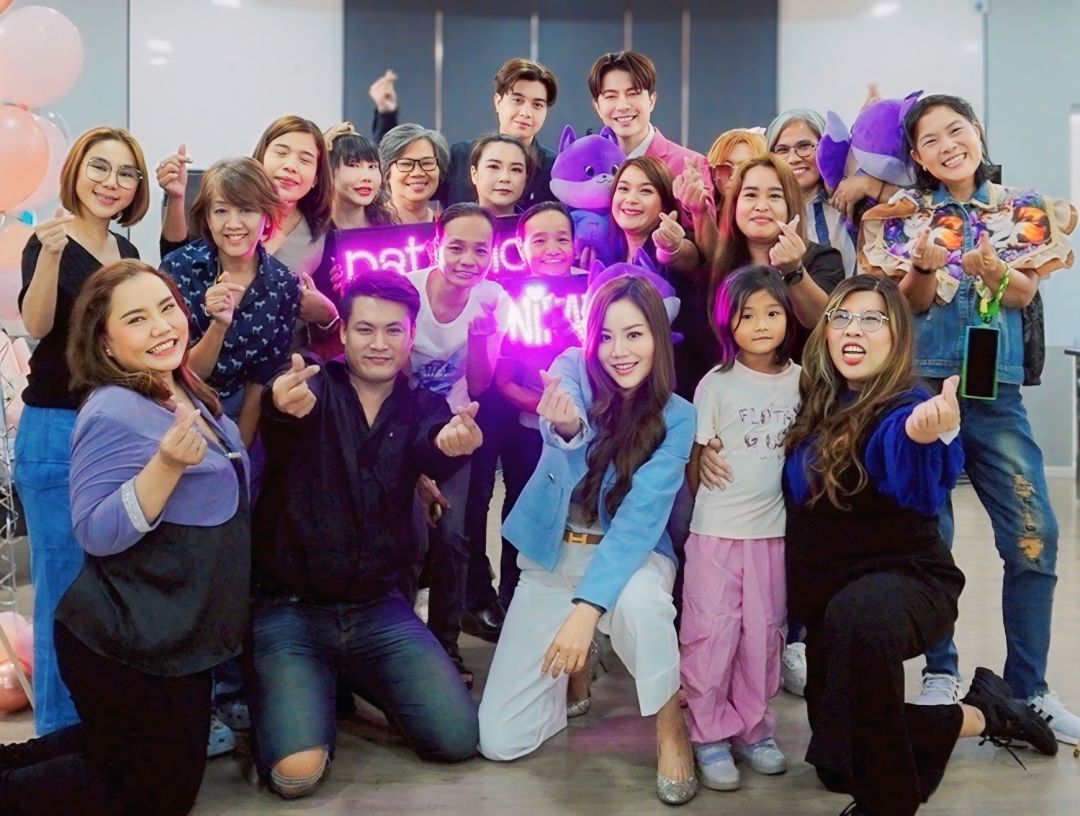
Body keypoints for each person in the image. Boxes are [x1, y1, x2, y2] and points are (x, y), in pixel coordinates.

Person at [771, 274, 1058, 816]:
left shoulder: (907, 405)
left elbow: (918, 482)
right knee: (837, 762)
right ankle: (982, 714)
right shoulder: (816, 400)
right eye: (842, 317)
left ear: (897, 336)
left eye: (872, 319)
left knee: (861, 620)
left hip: (907, 582)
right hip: (830, 605)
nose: (854, 330)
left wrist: (925, 436)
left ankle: (888, 803)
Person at [859, 94, 1079, 743]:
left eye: (955, 130)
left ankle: (1028, 689)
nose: (947, 145)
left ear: (977, 132)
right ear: (918, 157)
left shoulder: (1022, 207)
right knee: (930, 538)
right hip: (923, 394)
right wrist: (923, 267)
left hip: (996, 396)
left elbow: (1023, 292)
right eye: (930, 140)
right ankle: (940, 672)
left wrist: (997, 269)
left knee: (1034, 536)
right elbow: (911, 303)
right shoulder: (904, 215)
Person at [1, 260, 250, 815]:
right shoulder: (114, 409)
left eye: (166, 308)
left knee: (124, 758)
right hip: (128, 643)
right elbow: (94, 531)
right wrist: (164, 467)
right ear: (106, 342)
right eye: (136, 319)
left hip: (173, 635)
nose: (161, 326)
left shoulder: (179, 386)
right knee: (151, 793)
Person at [246, 271, 482, 799]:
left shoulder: (423, 407)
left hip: (378, 610)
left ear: (411, 335)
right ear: (344, 333)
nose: (379, 343)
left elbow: (431, 445)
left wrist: (451, 444)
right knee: (295, 775)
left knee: (456, 738)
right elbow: (281, 412)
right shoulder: (312, 386)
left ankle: (351, 677)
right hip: (291, 610)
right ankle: (312, 687)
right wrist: (279, 404)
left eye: (393, 330)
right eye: (365, 329)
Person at [479, 274, 699, 806]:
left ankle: (670, 722)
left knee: (643, 605)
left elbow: (640, 520)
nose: (618, 351)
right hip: (553, 556)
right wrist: (569, 430)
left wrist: (586, 609)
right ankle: (574, 670)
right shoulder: (572, 367)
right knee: (501, 740)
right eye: (606, 335)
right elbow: (566, 420)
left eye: (634, 334)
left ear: (657, 338)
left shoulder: (678, 415)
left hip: (632, 558)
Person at [15, 126, 149, 736]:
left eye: (125, 173)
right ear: (75, 171)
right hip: (56, 432)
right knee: (62, 594)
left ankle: (105, 734)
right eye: (99, 167)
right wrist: (47, 257)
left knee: (113, 591)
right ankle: (60, 741)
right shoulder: (48, 241)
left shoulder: (127, 250)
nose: (110, 182)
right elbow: (38, 325)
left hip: (116, 432)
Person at [681, 266, 800, 792]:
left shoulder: (802, 381)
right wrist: (702, 471)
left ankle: (755, 729)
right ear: (727, 322)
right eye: (747, 316)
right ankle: (708, 733)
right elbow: (696, 457)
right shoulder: (716, 384)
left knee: (763, 635)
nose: (761, 325)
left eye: (772, 313)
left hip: (772, 534)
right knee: (711, 633)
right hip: (716, 532)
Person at [462, 202, 584, 642]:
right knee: (522, 508)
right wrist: (549, 408)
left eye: (562, 238)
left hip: (587, 431)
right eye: (539, 239)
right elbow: (502, 382)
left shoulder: (591, 292)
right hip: (527, 428)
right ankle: (514, 601)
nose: (552, 248)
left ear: (575, 244)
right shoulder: (511, 300)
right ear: (520, 248)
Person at [407, 203, 510, 683]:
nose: (469, 260)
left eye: (480, 250)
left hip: (455, 426)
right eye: (456, 247)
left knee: (452, 536)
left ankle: (445, 647)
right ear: (436, 246)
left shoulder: (493, 299)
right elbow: (387, 375)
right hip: (401, 424)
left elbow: (480, 384)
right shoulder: (407, 291)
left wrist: (481, 339)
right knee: (405, 535)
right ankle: (396, 643)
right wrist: (413, 465)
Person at [157, 116, 339, 345]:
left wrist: (327, 316)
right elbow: (175, 264)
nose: (291, 166)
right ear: (261, 158)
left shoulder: (322, 233)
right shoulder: (222, 208)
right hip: (200, 347)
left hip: (281, 356)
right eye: (281, 153)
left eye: (305, 159)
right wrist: (176, 198)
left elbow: (332, 324)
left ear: (316, 177)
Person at [161, 157, 301, 446]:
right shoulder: (178, 267)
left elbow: (259, 380)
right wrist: (218, 325)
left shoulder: (283, 283)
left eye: (247, 210)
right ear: (207, 217)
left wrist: (240, 451)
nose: (233, 223)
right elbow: (181, 370)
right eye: (221, 210)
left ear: (266, 216)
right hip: (173, 402)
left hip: (239, 409)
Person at [371, 59, 560, 209]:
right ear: (498, 102)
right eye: (517, 100)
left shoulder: (556, 168)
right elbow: (397, 166)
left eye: (537, 105)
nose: (526, 113)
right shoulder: (459, 157)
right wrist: (386, 114)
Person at [587, 50, 714, 211]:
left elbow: (706, 225)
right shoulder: (588, 164)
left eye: (633, 93)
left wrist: (695, 210)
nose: (623, 106)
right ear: (597, 106)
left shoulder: (690, 165)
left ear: (651, 100)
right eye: (611, 96)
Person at [766, 109, 859, 276]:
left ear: (825, 148)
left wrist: (870, 185)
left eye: (804, 146)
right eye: (782, 150)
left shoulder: (850, 203)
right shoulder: (764, 212)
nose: (793, 159)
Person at [378, 123, 451, 224]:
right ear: (386, 172)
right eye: (406, 164)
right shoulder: (366, 224)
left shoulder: (449, 226)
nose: (417, 173)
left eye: (427, 163)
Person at [469, 133, 532, 216]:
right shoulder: (455, 223)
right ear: (474, 174)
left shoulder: (537, 224)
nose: (505, 178)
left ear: (525, 178)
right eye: (494, 167)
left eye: (516, 169)